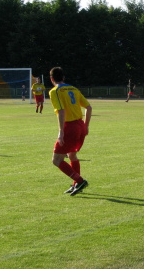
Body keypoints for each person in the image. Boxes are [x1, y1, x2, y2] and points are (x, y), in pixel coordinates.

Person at [49, 67, 92, 196]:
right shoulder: (74, 89)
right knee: (72, 156)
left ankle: (80, 181)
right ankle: (75, 184)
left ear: (52, 79)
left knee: (56, 160)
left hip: (70, 127)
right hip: (80, 125)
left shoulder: (55, 91)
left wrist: (61, 131)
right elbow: (88, 108)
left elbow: (61, 111)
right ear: (63, 77)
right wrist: (86, 126)